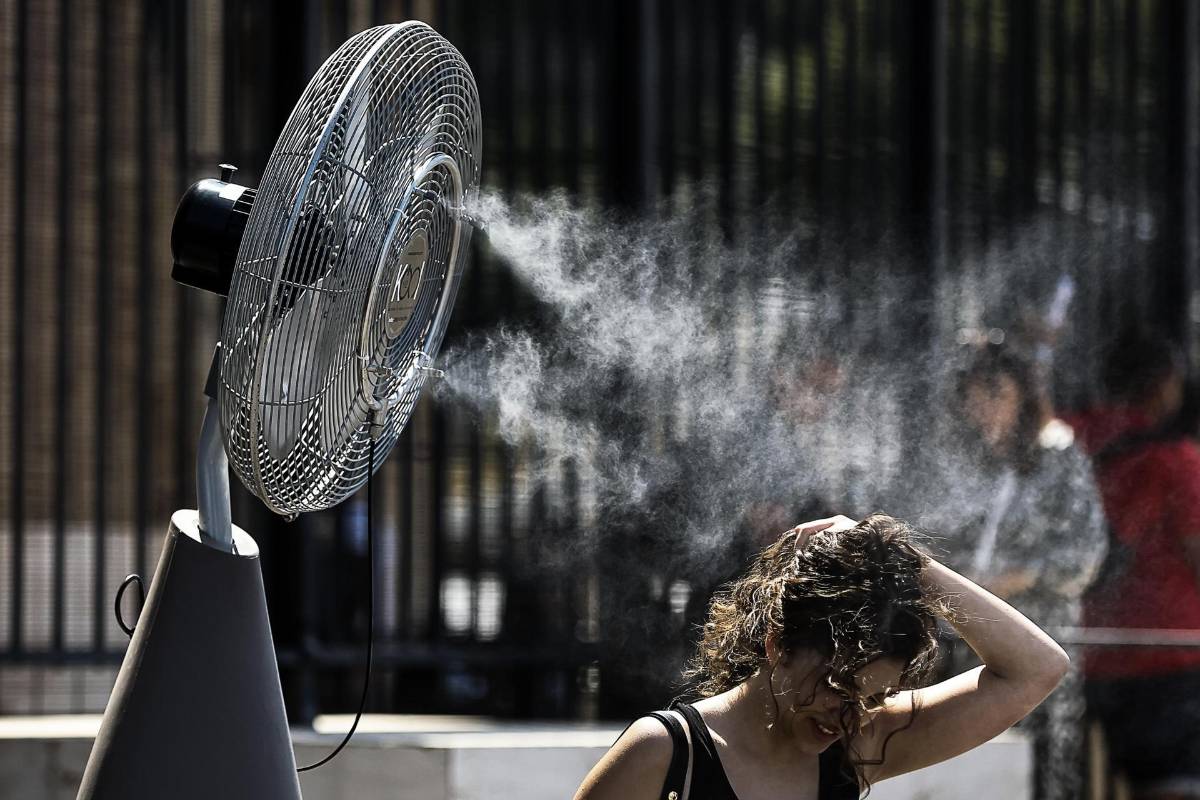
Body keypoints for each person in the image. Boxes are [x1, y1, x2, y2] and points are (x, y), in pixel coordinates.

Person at [574, 513, 1070, 800]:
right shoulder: (663, 754)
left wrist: (896, 555)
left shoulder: (859, 747)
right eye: (837, 686)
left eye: (872, 695)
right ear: (777, 645)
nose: (849, 714)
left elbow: (1039, 668)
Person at [921, 345, 1107, 800]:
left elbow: (1086, 552)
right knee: (977, 766)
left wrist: (1017, 578)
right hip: (966, 647)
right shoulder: (963, 465)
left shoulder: (1059, 459)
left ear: (1024, 397)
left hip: (1040, 637)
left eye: (996, 392)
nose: (984, 406)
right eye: (973, 394)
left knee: (1044, 768)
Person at [1069, 334, 1200, 800]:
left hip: (1096, 655)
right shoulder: (1175, 458)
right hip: (1172, 654)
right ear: (1166, 384)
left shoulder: (1073, 441)